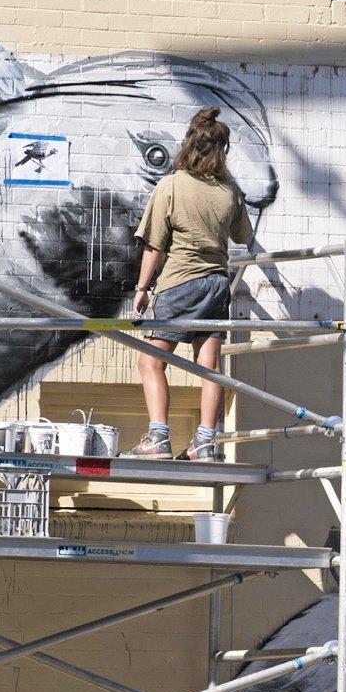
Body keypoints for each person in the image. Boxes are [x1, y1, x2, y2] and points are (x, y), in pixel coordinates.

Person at [127, 106, 254, 460]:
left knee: (150, 362)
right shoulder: (230, 191)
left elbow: (154, 245)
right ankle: (206, 442)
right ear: (220, 151)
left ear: (188, 146)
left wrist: (141, 290)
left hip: (179, 283)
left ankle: (158, 438)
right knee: (209, 368)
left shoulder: (170, 186)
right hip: (216, 285)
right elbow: (243, 234)